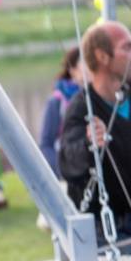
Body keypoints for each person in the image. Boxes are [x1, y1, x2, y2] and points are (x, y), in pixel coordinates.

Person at [59, 21, 131, 242]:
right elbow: (67, 163)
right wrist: (89, 143)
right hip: (104, 227)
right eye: (127, 48)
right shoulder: (81, 108)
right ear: (102, 56)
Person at [39, 46, 83, 177]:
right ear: (72, 69)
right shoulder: (56, 102)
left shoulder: (95, 96)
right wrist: (62, 171)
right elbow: (46, 144)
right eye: (84, 64)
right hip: (67, 174)